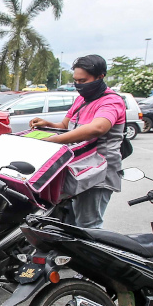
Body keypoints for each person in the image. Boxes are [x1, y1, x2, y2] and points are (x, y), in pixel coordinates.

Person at [29, 54, 125, 228]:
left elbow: (98, 128)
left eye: (83, 80)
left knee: (88, 226)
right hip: (76, 170)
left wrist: (54, 140)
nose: (79, 85)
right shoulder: (82, 99)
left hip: (98, 174)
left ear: (100, 76)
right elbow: (66, 125)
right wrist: (48, 124)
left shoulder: (111, 102)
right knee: (67, 223)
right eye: (76, 81)